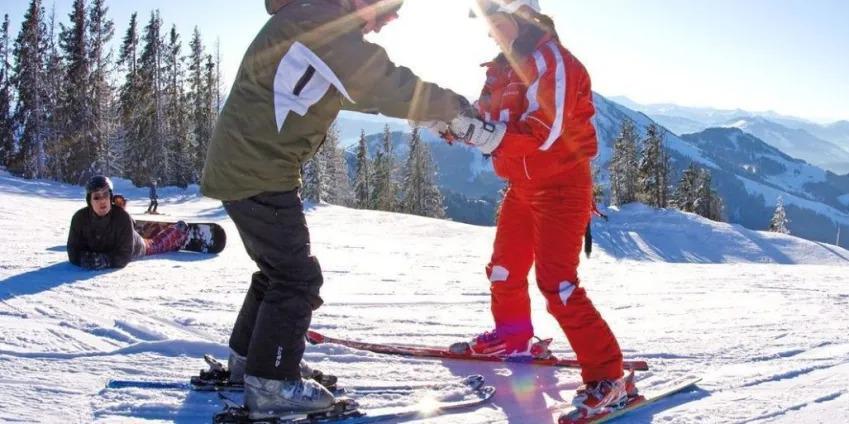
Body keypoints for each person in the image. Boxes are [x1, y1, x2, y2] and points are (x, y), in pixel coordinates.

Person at [200, 0, 471, 419]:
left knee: (278, 270)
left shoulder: (312, 17)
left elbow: (356, 89)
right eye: (389, 5)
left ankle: (250, 362)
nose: (391, 17)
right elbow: (383, 83)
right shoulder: (324, 24)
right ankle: (271, 383)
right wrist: (453, 108)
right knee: (295, 277)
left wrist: (432, 118)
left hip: (248, 164)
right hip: (258, 169)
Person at [424, 0, 634, 419]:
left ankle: (610, 378)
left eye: (496, 22)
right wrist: (453, 124)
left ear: (521, 16)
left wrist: (480, 134)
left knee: (558, 284)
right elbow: (487, 119)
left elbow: (543, 132)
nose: (490, 32)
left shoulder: (553, 62)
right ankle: (513, 337)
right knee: (504, 269)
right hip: (523, 184)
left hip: (561, 185)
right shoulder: (501, 68)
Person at [67, 176, 189, 270]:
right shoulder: (79, 218)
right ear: (89, 201)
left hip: (135, 246)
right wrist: (82, 259)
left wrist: (107, 260)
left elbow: (124, 256)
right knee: (122, 225)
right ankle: (134, 226)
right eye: (97, 197)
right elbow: (72, 250)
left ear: (110, 197)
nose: (102, 200)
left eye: (105, 195)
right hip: (117, 235)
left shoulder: (121, 218)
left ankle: (178, 231)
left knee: (154, 245)